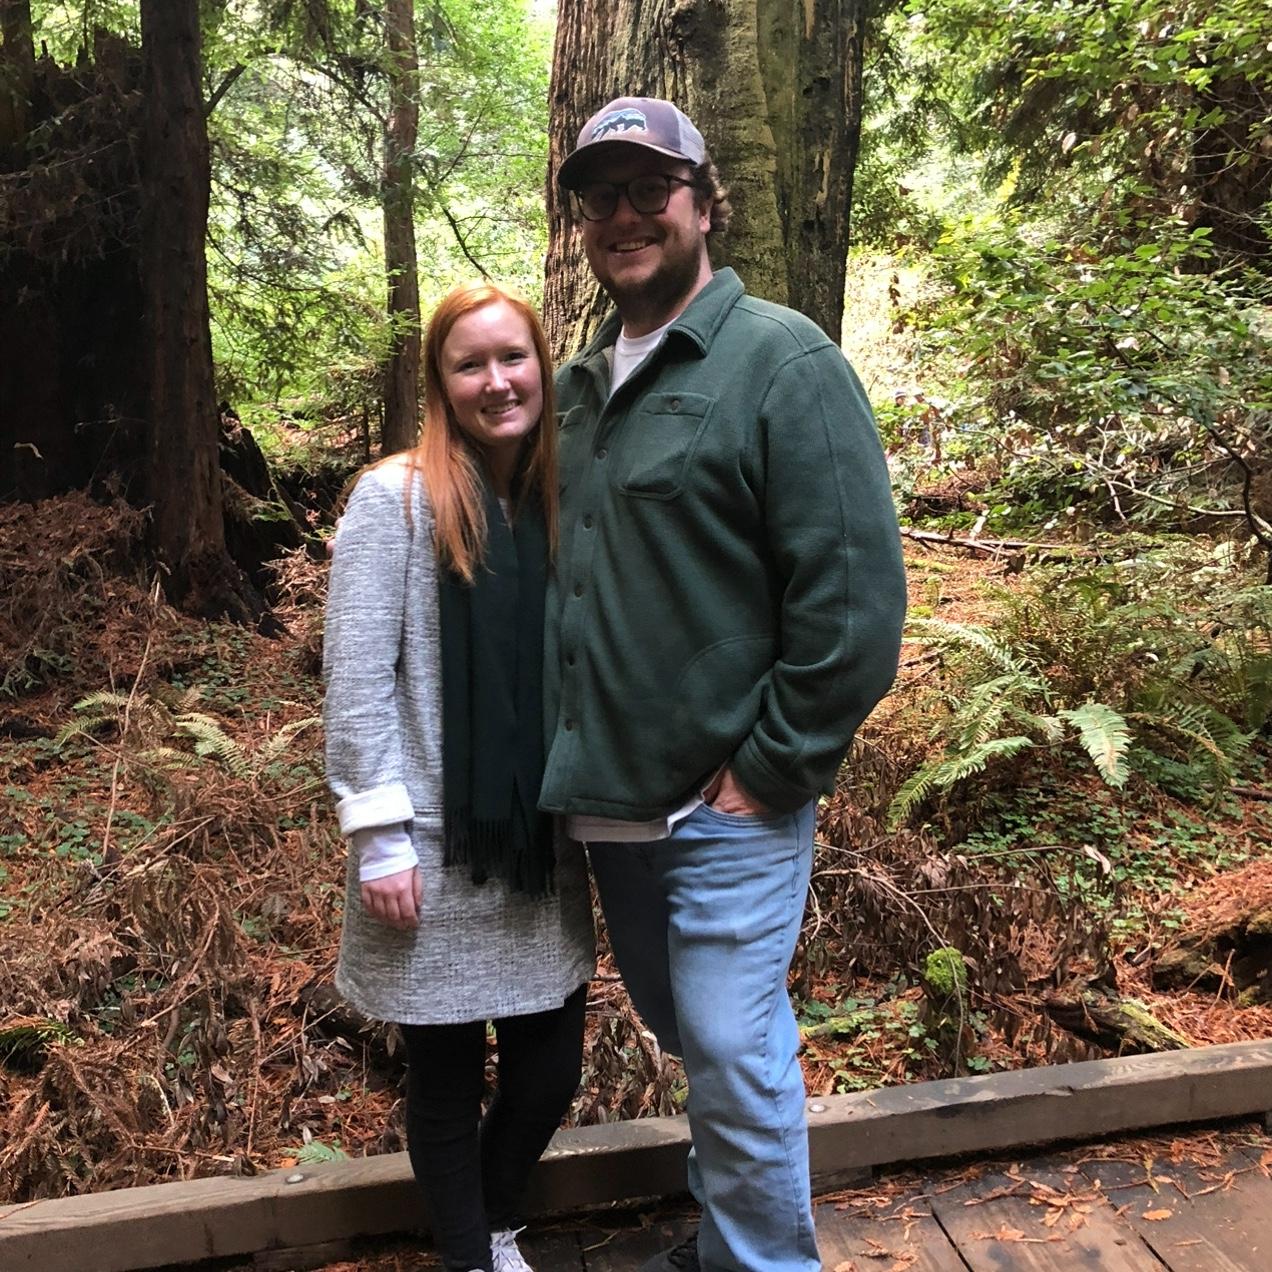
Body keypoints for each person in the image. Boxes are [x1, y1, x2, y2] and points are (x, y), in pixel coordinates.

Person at [542, 98, 907, 1272]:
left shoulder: (782, 362)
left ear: (707, 202)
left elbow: (853, 608)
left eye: (654, 188)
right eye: (603, 194)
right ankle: (725, 1239)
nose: (628, 215)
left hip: (727, 806)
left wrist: (771, 770)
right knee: (694, 1033)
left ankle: (762, 1265)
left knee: (732, 1044)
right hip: (614, 807)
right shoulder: (579, 391)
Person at [323, 282, 594, 1272]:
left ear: (543, 363)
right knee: (442, 1078)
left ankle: (496, 1217)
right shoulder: (394, 497)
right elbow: (357, 674)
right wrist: (378, 835)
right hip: (431, 852)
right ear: (440, 383)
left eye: (512, 358)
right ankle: (474, 1258)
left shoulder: (562, 498)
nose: (496, 381)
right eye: (469, 364)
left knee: (546, 1072)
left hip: (539, 847)